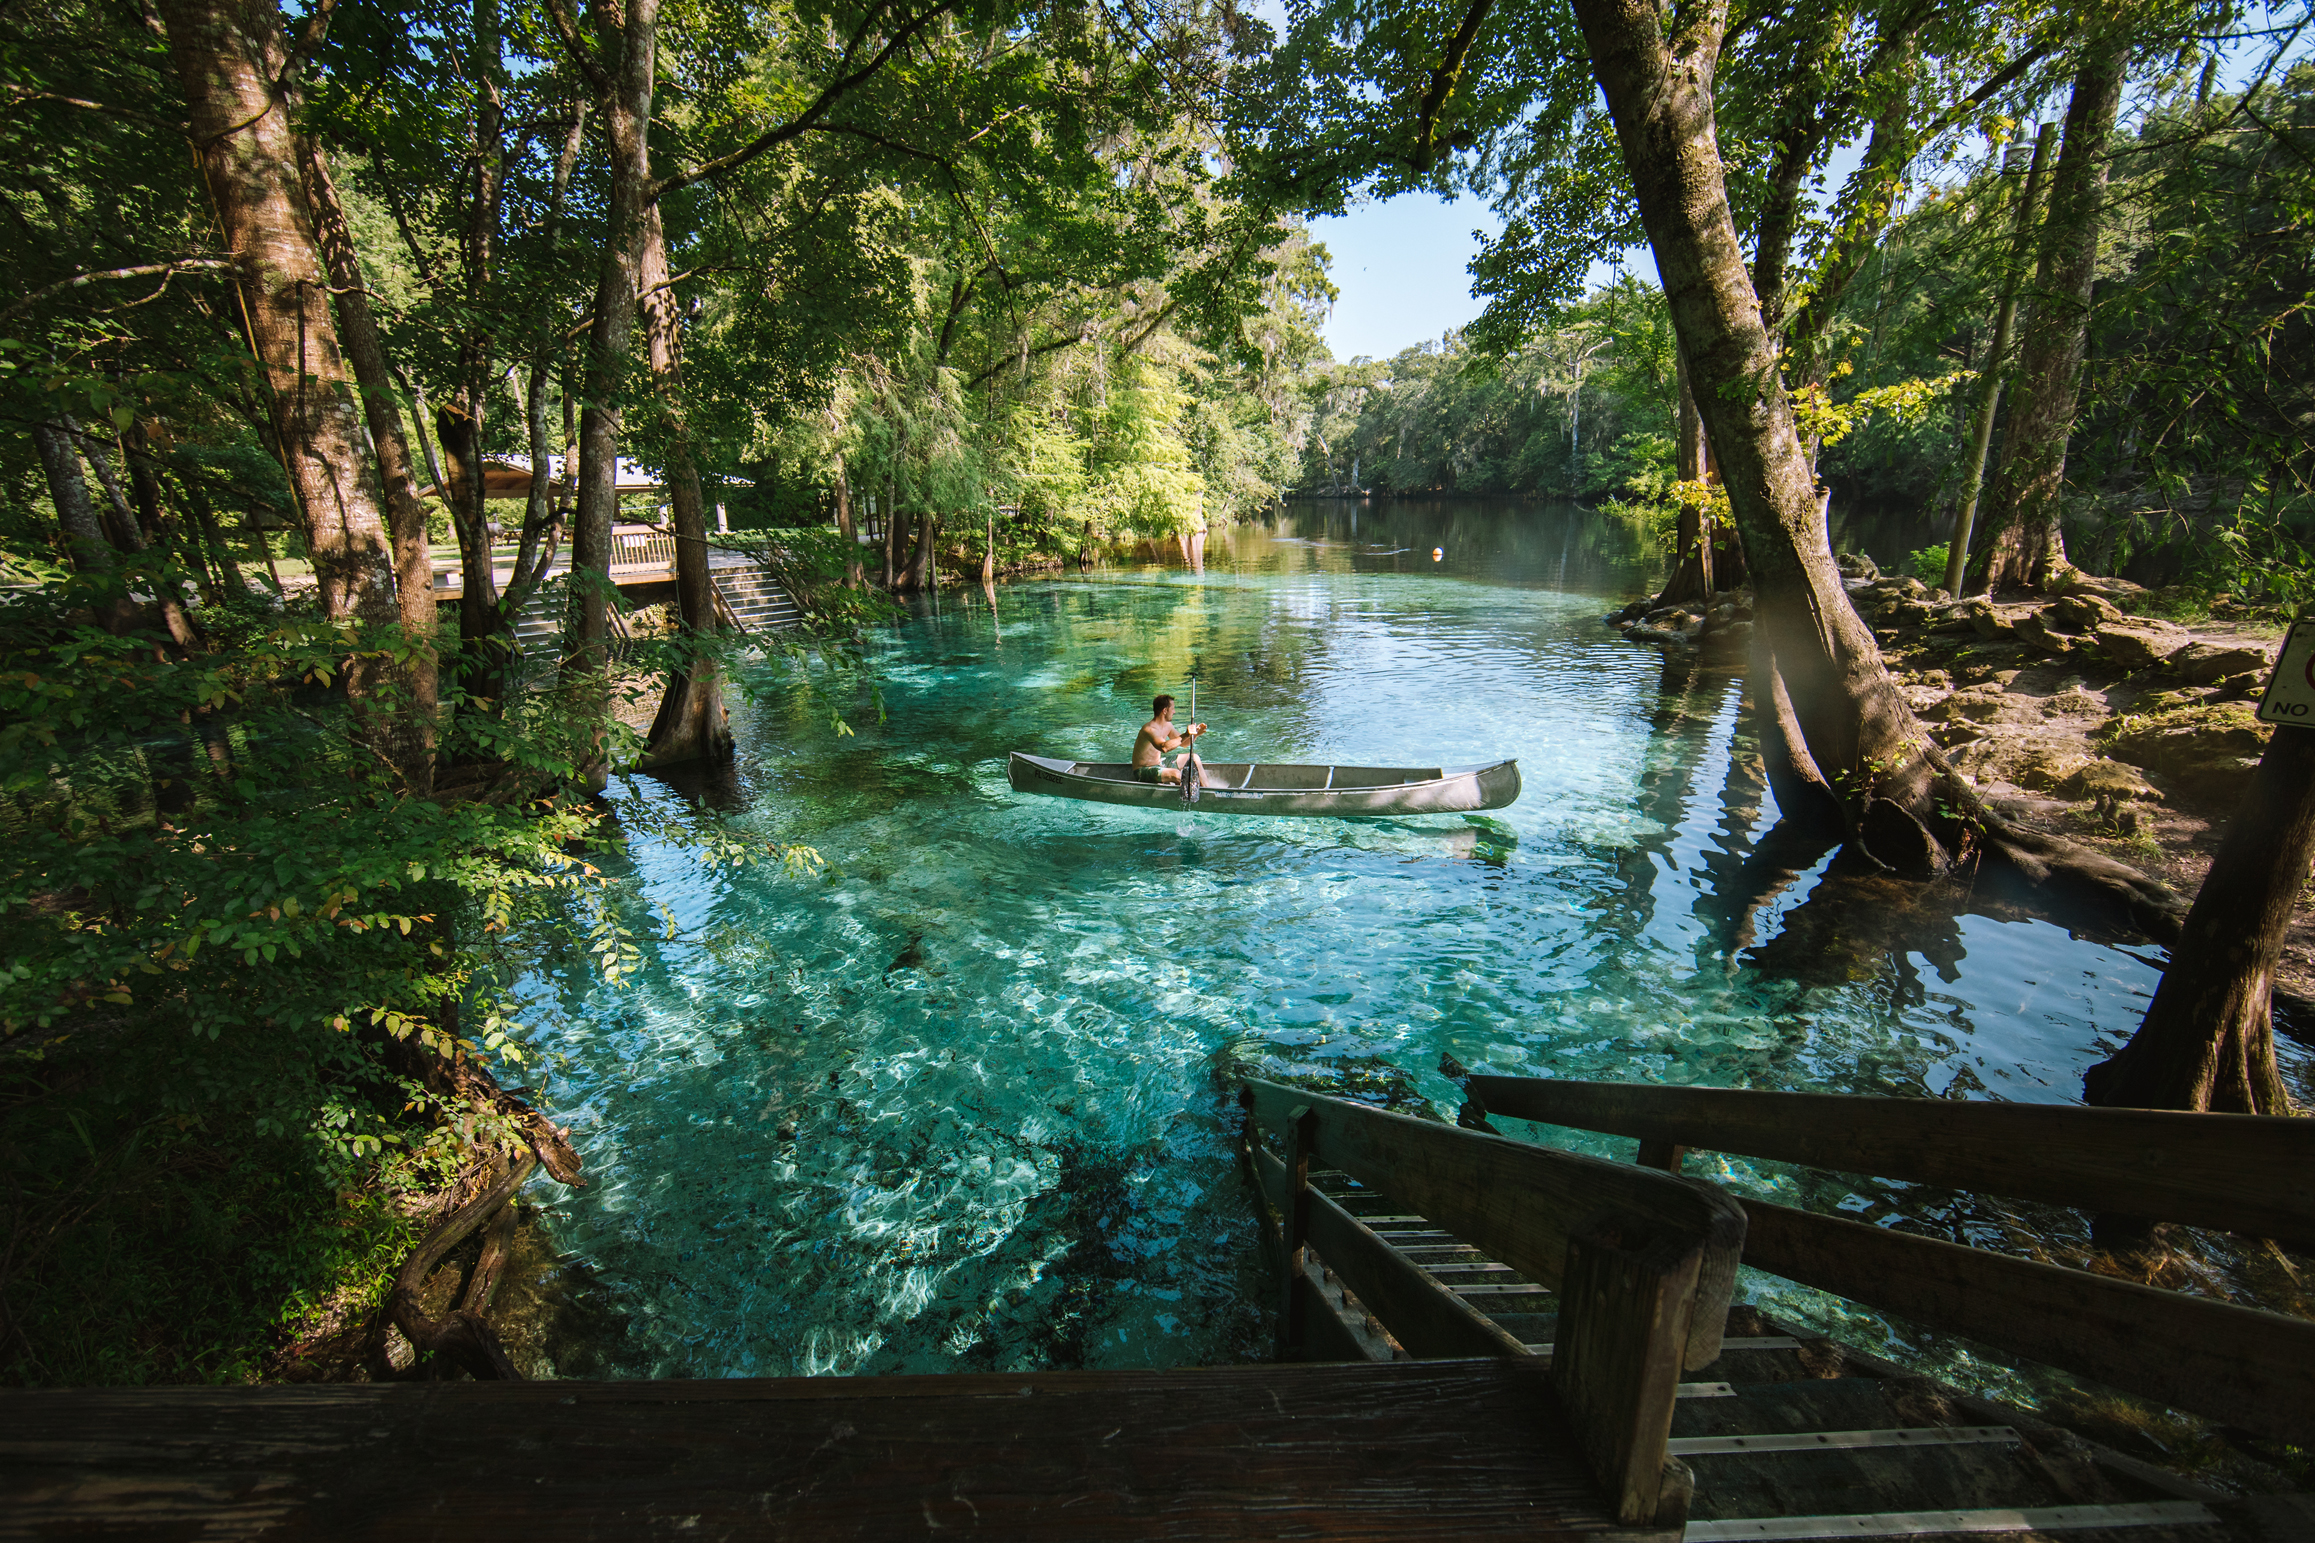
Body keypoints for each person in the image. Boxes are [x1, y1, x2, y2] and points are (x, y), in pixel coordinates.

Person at [1133, 695, 1221, 787]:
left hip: (1159, 763)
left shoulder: (1168, 725)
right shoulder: (1149, 729)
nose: (1174, 712)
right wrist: (1186, 734)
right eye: (1173, 709)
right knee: (1176, 774)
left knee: (1194, 758)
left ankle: (1207, 790)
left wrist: (1195, 734)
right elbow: (1164, 747)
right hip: (1143, 771)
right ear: (1165, 710)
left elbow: (1183, 743)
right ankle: (1186, 795)